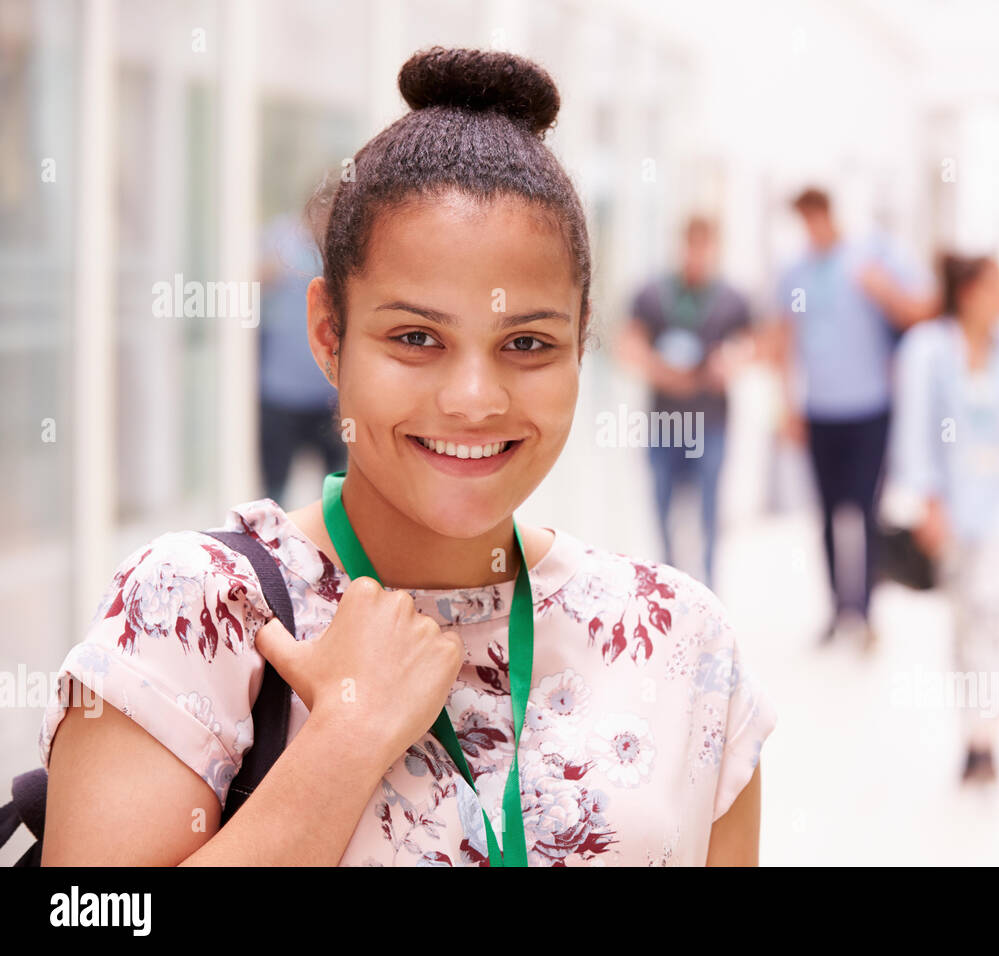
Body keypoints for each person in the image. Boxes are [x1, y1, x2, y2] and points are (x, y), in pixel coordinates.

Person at [37, 47, 776, 867]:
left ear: (582, 341)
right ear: (330, 333)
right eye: (416, 338)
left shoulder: (682, 643)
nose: (473, 398)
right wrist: (344, 741)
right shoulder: (198, 613)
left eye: (526, 342)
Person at [888, 254, 999, 783]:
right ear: (970, 292)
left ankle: (989, 734)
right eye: (998, 285)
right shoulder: (928, 351)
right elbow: (914, 431)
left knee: (988, 607)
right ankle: (973, 733)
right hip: (953, 505)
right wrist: (927, 502)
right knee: (965, 621)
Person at [773, 188, 937, 646]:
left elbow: (923, 311)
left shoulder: (871, 256)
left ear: (830, 213)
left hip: (870, 407)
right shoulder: (795, 272)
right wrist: (786, 406)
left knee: (864, 511)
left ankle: (865, 612)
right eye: (804, 222)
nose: (812, 230)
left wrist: (884, 291)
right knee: (826, 514)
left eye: (816, 219)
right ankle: (836, 608)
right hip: (819, 409)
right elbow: (784, 340)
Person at [618, 215, 753, 592]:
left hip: (711, 423)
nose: (697, 256)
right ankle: (669, 587)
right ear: (681, 246)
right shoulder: (652, 294)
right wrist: (660, 371)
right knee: (663, 507)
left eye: (705, 247)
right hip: (665, 424)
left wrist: (730, 362)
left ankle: (708, 590)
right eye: (692, 246)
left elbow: (750, 345)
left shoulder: (731, 299)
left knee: (710, 511)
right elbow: (627, 344)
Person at [258, 211, 348, 502]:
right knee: (274, 488)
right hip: (280, 393)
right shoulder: (280, 241)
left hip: (329, 395)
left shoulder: (348, 251)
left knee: (338, 488)